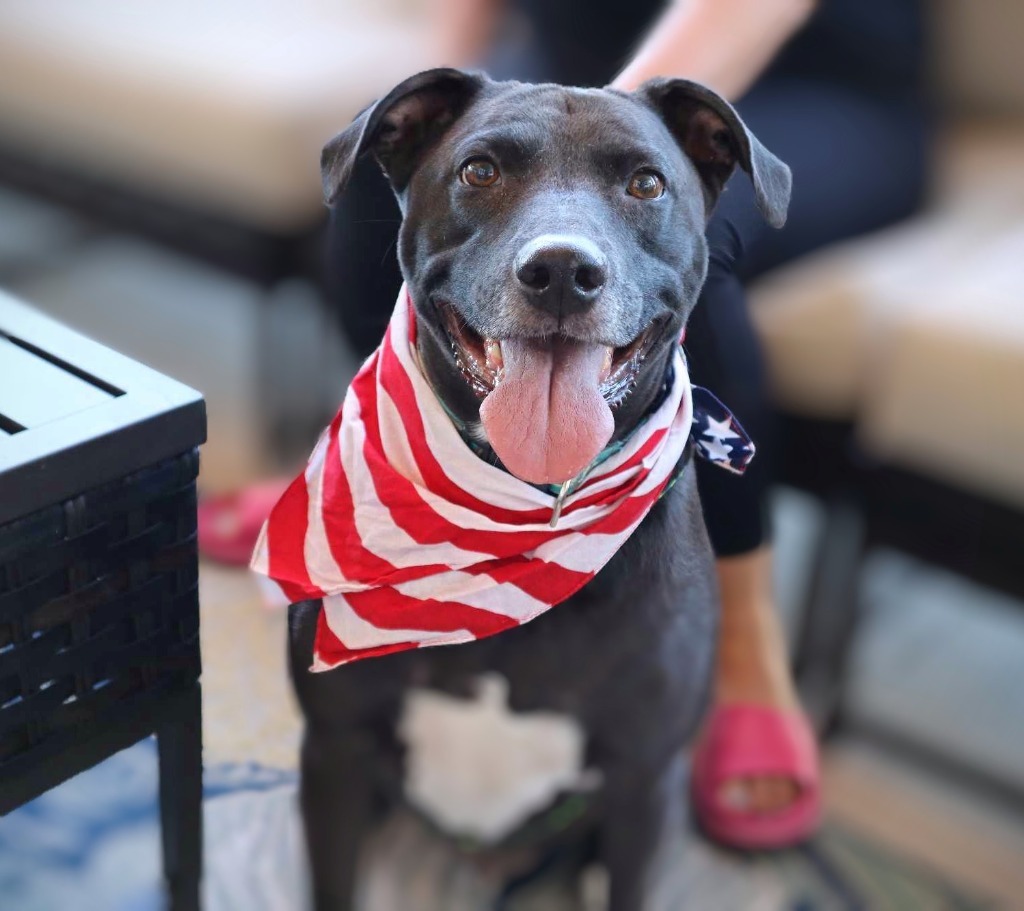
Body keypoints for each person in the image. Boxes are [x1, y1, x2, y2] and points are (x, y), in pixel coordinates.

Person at [201, 0, 929, 849]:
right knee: (390, 184)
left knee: (686, 245)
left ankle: (746, 650)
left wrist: (590, 175)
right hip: (568, 68)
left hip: (804, 88)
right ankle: (381, 467)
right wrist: (445, 130)